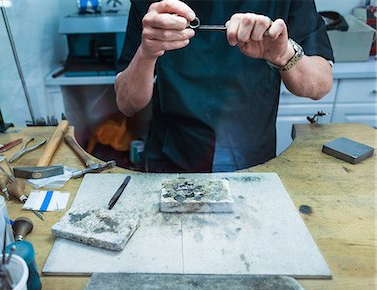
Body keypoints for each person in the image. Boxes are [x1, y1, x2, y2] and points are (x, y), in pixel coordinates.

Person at [115, 0, 334, 172]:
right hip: (172, 159)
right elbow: (127, 104)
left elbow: (319, 84)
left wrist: (284, 54)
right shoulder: (154, 7)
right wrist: (146, 53)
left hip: (252, 160)